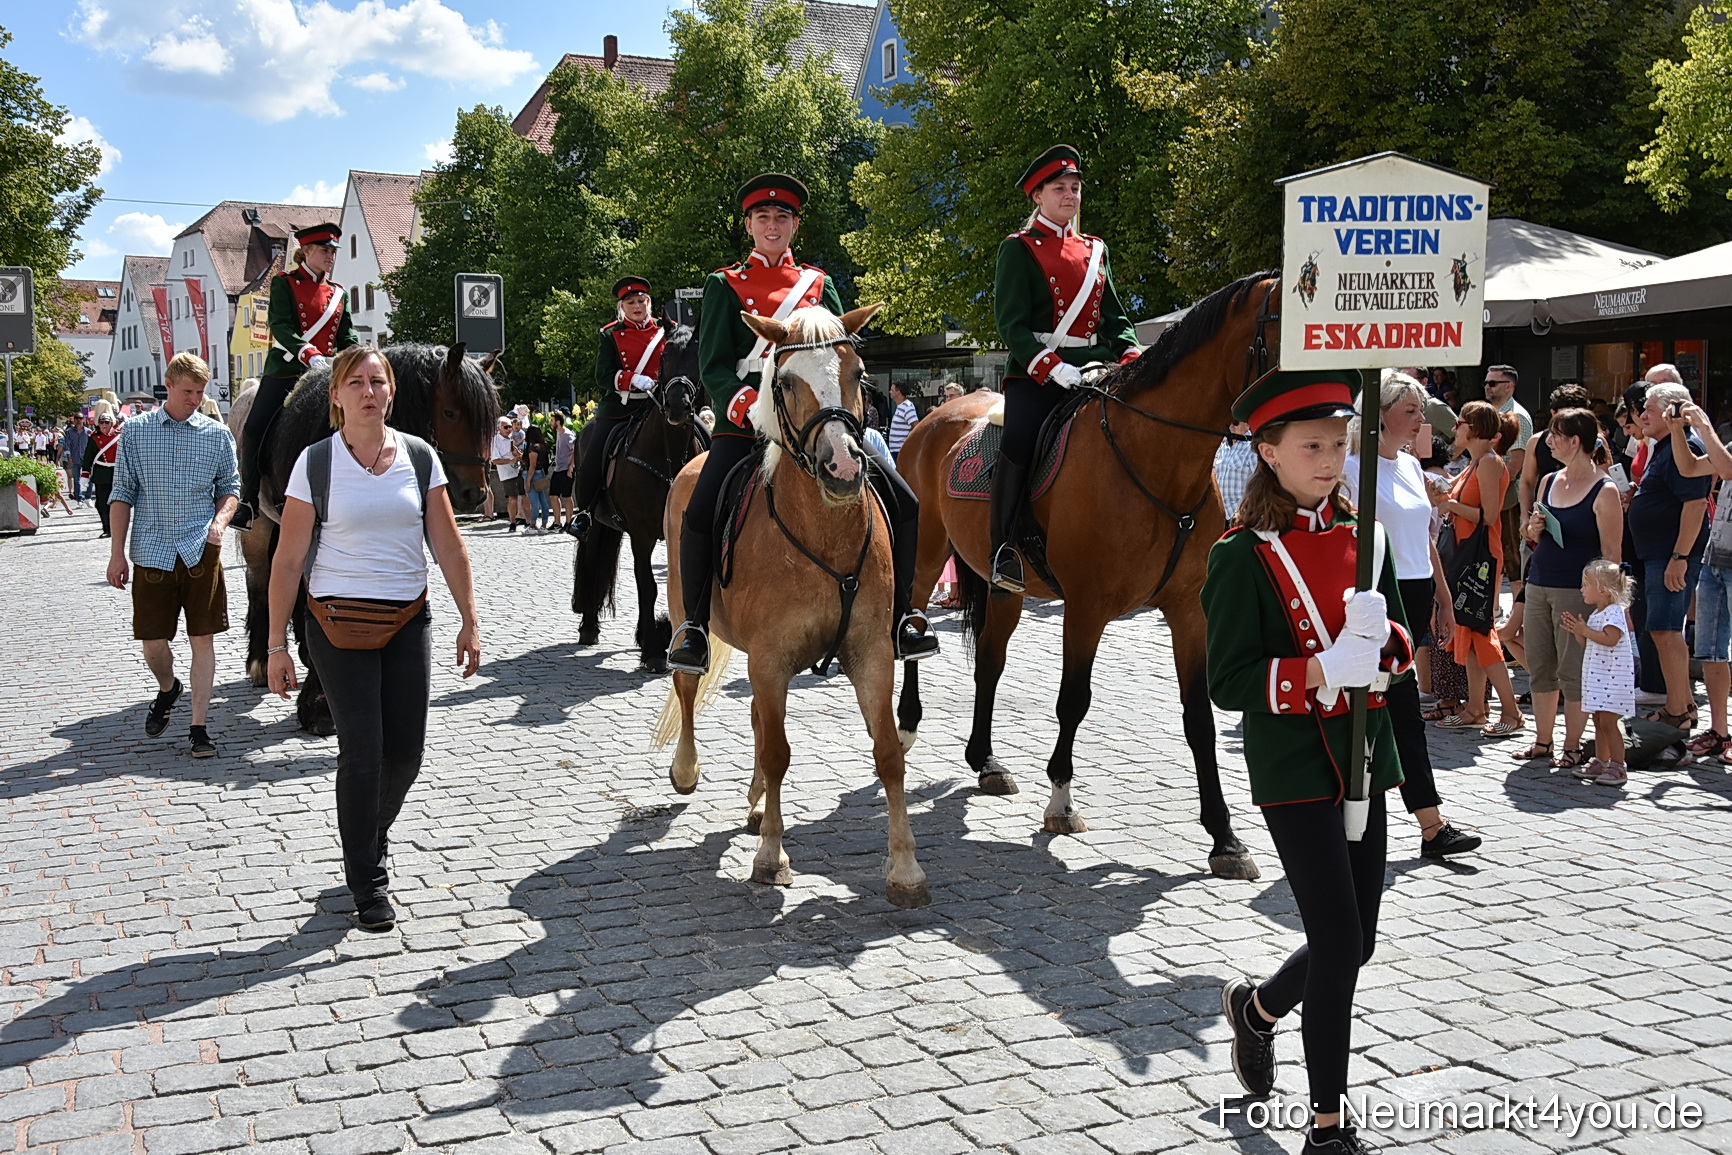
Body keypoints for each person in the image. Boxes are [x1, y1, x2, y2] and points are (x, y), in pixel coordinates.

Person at [1204, 367, 1411, 1155]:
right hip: (1293, 762)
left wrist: (1381, 644)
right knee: (1334, 937)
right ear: (1269, 452)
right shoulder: (1241, 556)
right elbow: (1228, 681)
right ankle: (1328, 1125)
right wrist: (1322, 669)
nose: (1329, 458)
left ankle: (1257, 1008)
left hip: (1362, 753)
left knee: (1355, 942)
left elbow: (1401, 645)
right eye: (1312, 445)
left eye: (1338, 443)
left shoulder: (1371, 539)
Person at [667, 172, 939, 673]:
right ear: (748, 224)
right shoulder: (724, 284)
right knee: (700, 509)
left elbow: (840, 355)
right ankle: (695, 629)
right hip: (746, 423)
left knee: (905, 500)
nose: (774, 225)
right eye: (764, 217)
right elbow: (714, 365)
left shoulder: (820, 284)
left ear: (795, 226)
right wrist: (747, 404)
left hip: (816, 421)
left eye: (783, 217)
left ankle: (902, 617)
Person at [264, 345, 481, 931]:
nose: (367, 391)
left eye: (376, 382)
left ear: (391, 393)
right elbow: (286, 562)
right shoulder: (314, 464)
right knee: (363, 752)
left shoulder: (420, 456)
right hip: (335, 626)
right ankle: (368, 880)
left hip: (409, 621)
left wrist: (469, 616)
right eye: (354, 382)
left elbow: (448, 542)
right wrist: (278, 647)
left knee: (406, 754)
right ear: (335, 395)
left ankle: (368, 832)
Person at [989, 145, 1141, 592]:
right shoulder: (1017, 249)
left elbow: (1114, 317)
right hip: (1038, 374)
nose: (1070, 194)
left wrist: (1131, 354)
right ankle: (1002, 550)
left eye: (1075, 187)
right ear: (1037, 196)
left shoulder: (1096, 250)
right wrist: (1051, 368)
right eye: (1059, 188)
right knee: (1018, 441)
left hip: (1096, 368)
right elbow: (1010, 324)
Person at [1344, 372, 1480, 859]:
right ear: (1379, 415)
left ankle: (1411, 819)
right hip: (1380, 592)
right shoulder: (1352, 468)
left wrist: (1443, 596)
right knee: (1397, 710)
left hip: (1418, 590)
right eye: (1412, 410)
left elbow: (1423, 535)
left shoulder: (1407, 465)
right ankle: (1429, 823)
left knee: (1398, 709)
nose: (1422, 417)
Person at [104, 353, 239, 759]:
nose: (195, 399)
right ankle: (168, 687)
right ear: (168, 385)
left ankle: (199, 727)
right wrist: (116, 555)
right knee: (152, 642)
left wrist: (220, 524)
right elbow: (122, 493)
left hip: (202, 550)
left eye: (200, 393)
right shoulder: (136, 432)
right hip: (152, 551)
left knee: (203, 639)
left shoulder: (216, 435)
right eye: (187, 392)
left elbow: (231, 487)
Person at [1509, 408, 1622, 770]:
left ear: (1576, 441)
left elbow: (1612, 556)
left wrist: (1610, 606)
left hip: (1578, 591)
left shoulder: (1604, 490)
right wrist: (1532, 528)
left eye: (1555, 434)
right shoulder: (1549, 480)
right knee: (1541, 667)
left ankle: (1572, 747)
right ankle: (1543, 741)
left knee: (1574, 671)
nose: (1548, 440)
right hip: (1540, 581)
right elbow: (1530, 533)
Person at [233, 223, 359, 530]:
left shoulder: (338, 293)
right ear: (307, 252)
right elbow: (281, 326)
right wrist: (309, 354)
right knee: (253, 430)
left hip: (328, 374)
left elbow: (347, 335)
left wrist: (360, 359)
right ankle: (248, 502)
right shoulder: (284, 283)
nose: (330, 257)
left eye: (333, 251)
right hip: (287, 371)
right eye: (325, 250)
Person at [1434, 401, 1524, 736]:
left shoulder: (1488, 462)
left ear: (1475, 428)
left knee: (1482, 633)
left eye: (1460, 422)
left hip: (1480, 558)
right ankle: (1475, 708)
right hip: (1464, 556)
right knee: (1469, 632)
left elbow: (1488, 516)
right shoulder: (1474, 463)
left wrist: (1450, 504)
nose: (1455, 427)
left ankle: (1511, 713)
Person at [1627, 381, 1708, 729]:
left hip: (1670, 555)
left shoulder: (1682, 444)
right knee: (1660, 629)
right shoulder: (1662, 447)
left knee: (1666, 629)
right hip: (1657, 554)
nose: (1642, 414)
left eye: (1649, 408)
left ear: (1672, 411)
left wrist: (1680, 556)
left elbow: (1695, 504)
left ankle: (1679, 710)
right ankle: (1683, 705)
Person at [570, 277, 672, 540]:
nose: (637, 306)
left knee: (703, 437)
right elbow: (602, 376)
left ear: (649, 303)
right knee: (594, 456)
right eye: (630, 302)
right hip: (621, 407)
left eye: (641, 301)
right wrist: (631, 379)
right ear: (622, 307)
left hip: (659, 405)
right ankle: (585, 512)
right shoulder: (610, 334)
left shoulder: (665, 330)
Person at [1561, 560, 1635, 786]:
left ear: (1602, 590)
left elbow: (1610, 640)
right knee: (1599, 721)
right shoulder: (1597, 613)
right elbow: (1592, 644)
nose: (1581, 589)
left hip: (1613, 678)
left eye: (1585, 585)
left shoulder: (1613, 613)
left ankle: (1618, 764)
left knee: (1609, 722)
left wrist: (1586, 631)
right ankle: (1601, 760)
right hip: (1599, 677)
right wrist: (1579, 632)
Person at [1481, 366, 1530, 596]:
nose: (1487, 387)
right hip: (1499, 491)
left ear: (1509, 386)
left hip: (1509, 495)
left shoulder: (1517, 415)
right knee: (1496, 548)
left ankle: (1517, 610)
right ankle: (1497, 605)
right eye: (1486, 383)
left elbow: (1517, 460)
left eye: (1493, 383)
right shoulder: (1495, 411)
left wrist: (1498, 486)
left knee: (1511, 550)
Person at [84, 402, 123, 537]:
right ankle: (107, 529)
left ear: (111, 423)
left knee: (118, 503)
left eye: (107, 423)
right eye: (102, 423)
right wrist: (84, 475)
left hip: (117, 473)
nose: (104, 426)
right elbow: (88, 457)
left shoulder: (120, 435)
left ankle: (118, 528)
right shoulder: (94, 438)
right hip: (101, 473)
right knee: (101, 503)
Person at [1212, 421, 1256, 521]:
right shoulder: (1222, 448)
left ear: (1247, 425)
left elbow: (1262, 482)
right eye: (1229, 422)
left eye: (1236, 422)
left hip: (1242, 517)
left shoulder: (1252, 448)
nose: (1231, 426)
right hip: (1219, 517)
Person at [490, 416, 524, 532]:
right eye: (506, 427)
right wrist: (510, 460)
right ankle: (512, 522)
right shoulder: (495, 441)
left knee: (524, 496)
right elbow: (495, 460)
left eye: (510, 426)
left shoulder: (511, 438)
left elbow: (516, 453)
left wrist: (518, 454)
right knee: (512, 498)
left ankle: (527, 520)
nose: (509, 429)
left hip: (518, 470)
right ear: (499, 428)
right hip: (507, 473)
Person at [549, 410, 576, 531]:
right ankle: (557, 522)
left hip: (566, 469)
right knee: (553, 495)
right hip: (558, 468)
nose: (550, 422)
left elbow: (575, 450)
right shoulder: (559, 433)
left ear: (558, 422)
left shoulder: (567, 434)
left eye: (552, 420)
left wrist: (571, 466)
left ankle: (569, 522)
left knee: (567, 496)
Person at [522, 422, 550, 532]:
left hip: (533, 475)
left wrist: (528, 481)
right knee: (543, 501)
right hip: (541, 473)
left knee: (535, 503)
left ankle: (532, 525)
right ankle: (544, 525)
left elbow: (532, 466)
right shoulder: (542, 446)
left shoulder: (533, 448)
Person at [60, 414, 90, 505]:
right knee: (76, 479)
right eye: (76, 418)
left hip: (86, 458)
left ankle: (88, 497)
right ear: (74, 420)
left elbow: (91, 446)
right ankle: (79, 499)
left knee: (90, 478)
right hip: (74, 458)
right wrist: (69, 457)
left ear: (83, 420)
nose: (78, 420)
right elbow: (67, 445)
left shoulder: (88, 432)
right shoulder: (69, 432)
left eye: (80, 418)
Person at [886, 381, 918, 458]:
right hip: (896, 450)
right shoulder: (900, 406)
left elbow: (916, 427)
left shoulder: (907, 406)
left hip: (901, 451)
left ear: (898, 392)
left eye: (892, 390)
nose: (890, 392)